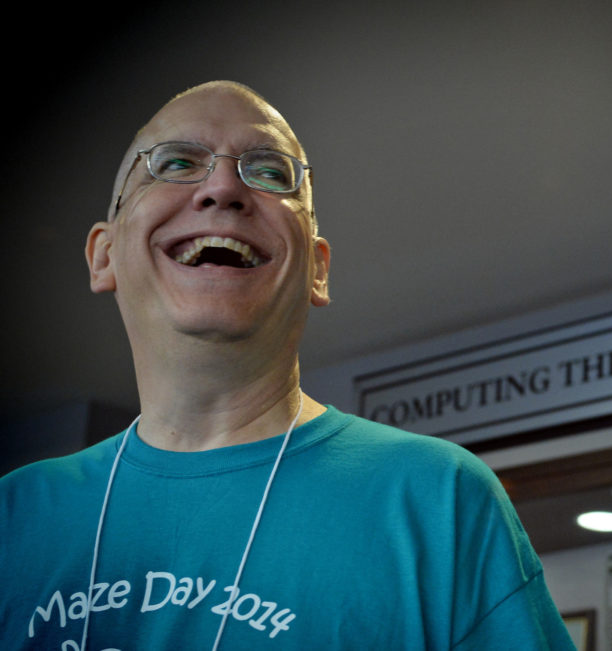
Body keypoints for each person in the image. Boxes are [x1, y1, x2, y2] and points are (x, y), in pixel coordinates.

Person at [0, 81, 574, 650]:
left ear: (318, 270)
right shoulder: (14, 517)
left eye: (270, 172)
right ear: (104, 257)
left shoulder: (436, 501)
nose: (223, 186)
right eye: (176, 163)